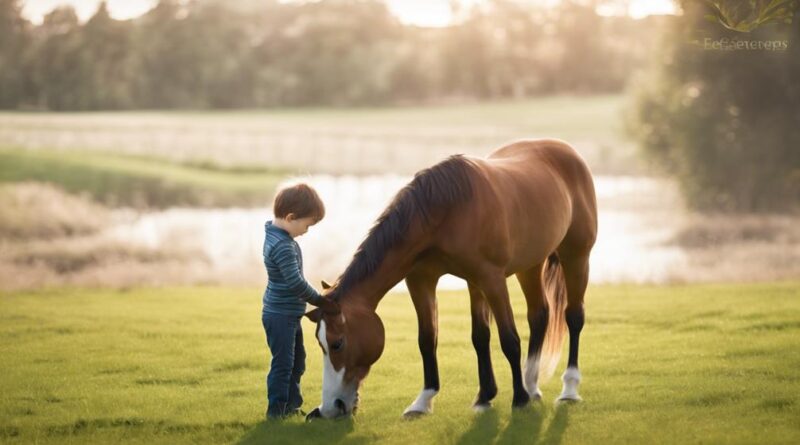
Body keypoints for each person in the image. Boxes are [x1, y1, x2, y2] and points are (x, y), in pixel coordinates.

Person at [261, 183, 325, 419]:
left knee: (297, 363)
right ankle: (276, 412)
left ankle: (292, 406)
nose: (307, 231)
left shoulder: (276, 236)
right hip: (280, 316)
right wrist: (320, 300)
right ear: (290, 217)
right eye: (307, 225)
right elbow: (296, 283)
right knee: (283, 365)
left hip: (288, 314)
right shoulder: (282, 246)